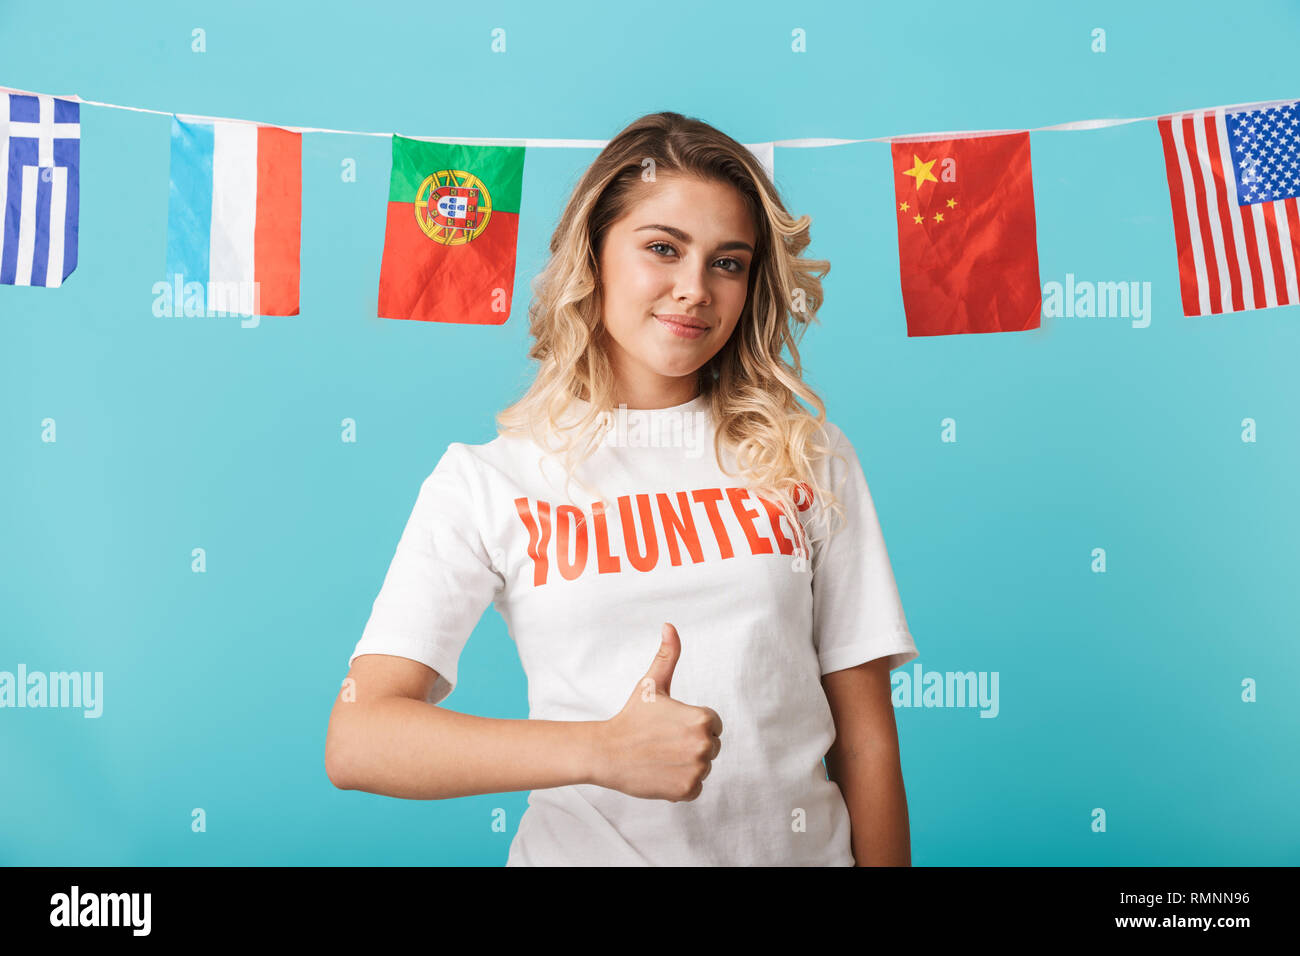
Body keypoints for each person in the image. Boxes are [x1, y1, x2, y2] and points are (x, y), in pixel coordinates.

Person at [324, 111, 920, 866]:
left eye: (728, 262)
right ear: (594, 255)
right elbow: (359, 737)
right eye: (662, 249)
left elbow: (867, 742)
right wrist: (600, 751)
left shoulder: (808, 456)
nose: (694, 289)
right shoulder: (488, 480)